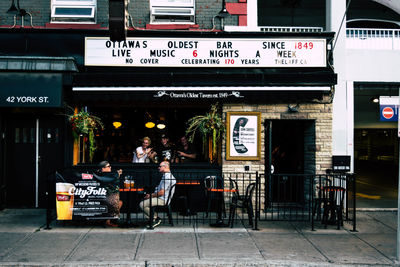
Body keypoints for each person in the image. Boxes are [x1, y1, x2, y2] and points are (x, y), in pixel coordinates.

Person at [139, 161, 176, 228]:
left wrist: (151, 195)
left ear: (165, 167)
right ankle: (152, 219)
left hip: (162, 199)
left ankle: (155, 218)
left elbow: (161, 192)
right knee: (143, 200)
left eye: (160, 166)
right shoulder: (166, 175)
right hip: (161, 198)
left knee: (142, 204)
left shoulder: (167, 177)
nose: (158, 168)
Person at [98, 160, 123, 227]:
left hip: (106, 196)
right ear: (103, 168)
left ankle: (107, 220)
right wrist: (117, 175)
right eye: (108, 166)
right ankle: (107, 220)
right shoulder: (103, 175)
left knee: (118, 201)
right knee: (118, 202)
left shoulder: (106, 175)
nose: (110, 167)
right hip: (103, 197)